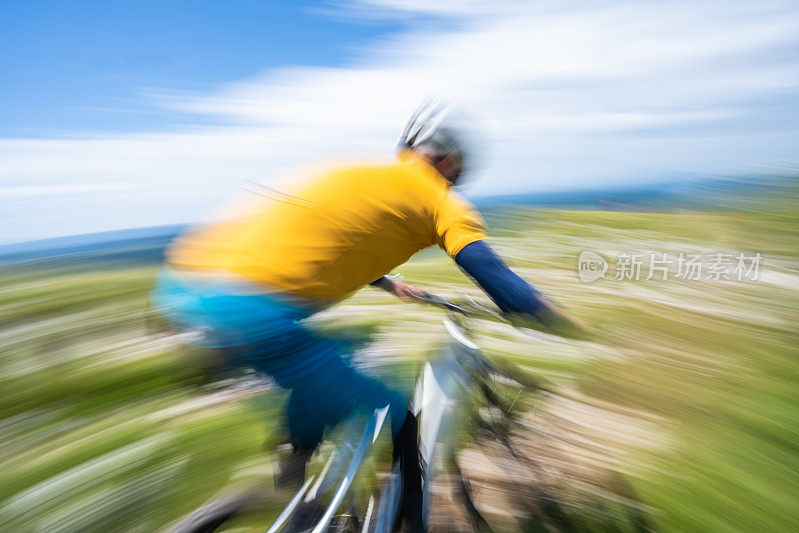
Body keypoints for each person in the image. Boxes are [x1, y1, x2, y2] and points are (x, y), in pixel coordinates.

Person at [151, 99, 585, 531]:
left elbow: (329, 233)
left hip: (183, 290)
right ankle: (410, 521)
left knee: (335, 356)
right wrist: (553, 318)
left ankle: (293, 467)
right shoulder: (441, 201)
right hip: (250, 311)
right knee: (397, 411)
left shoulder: (352, 172)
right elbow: (493, 275)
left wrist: (389, 283)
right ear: (450, 161)